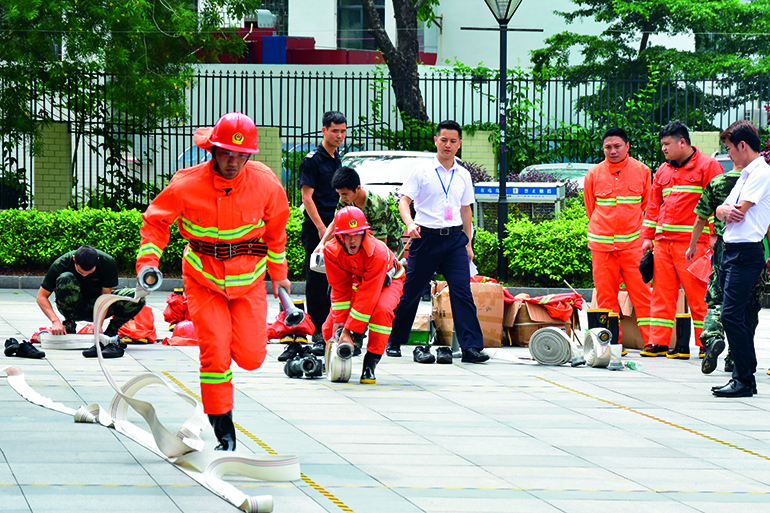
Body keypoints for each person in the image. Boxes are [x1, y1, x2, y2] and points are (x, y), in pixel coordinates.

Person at [136, 112, 291, 449]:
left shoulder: (266, 184)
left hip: (249, 280)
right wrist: (148, 263)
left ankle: (234, 348)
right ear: (212, 150)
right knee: (215, 354)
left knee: (251, 357)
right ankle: (224, 432)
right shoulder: (186, 184)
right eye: (225, 152)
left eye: (240, 155)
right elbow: (155, 224)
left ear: (249, 155)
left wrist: (279, 275)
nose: (232, 161)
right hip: (203, 281)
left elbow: (276, 233)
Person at [384, 119, 489, 364]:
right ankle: (394, 340)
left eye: (453, 141)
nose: (448, 145)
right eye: (444, 140)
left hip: (454, 241)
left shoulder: (463, 175)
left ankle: (471, 348)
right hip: (426, 238)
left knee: (462, 292)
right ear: (436, 141)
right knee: (410, 292)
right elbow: (404, 201)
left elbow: (466, 211)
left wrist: (468, 243)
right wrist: (410, 224)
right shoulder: (422, 171)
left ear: (459, 144)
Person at [279, 166, 405, 362]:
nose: (342, 198)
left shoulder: (375, 205)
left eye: (345, 194)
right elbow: (337, 224)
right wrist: (321, 245)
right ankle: (343, 338)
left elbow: (378, 246)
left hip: (387, 254)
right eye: (340, 194)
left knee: (370, 298)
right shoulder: (346, 199)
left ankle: (355, 338)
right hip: (361, 252)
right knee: (345, 296)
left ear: (357, 189)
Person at [640, 121, 722, 358]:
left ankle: (706, 342)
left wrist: (713, 237)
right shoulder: (663, 171)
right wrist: (648, 238)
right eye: (662, 145)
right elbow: (654, 207)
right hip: (663, 243)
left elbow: (717, 204)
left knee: (699, 297)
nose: (663, 149)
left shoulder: (708, 166)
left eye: (667, 144)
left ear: (682, 142)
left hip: (692, 244)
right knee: (661, 295)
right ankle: (658, 342)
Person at [685, 148, 767, 375]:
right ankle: (736, 357)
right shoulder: (759, 182)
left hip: (725, 247)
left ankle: (712, 337)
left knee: (717, 298)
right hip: (754, 247)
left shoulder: (718, 182)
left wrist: (693, 246)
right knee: (749, 304)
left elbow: (701, 216)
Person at [711, 120, 770, 397]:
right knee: (739, 317)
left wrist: (725, 211)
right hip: (733, 251)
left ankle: (743, 378)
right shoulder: (746, 173)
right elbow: (722, 210)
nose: (729, 154)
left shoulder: (760, 173)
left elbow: (738, 210)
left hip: (746, 252)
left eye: (730, 148)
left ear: (743, 145)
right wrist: (723, 211)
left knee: (731, 315)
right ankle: (746, 377)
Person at [583, 128, 652, 349]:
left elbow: (647, 207)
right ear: (603, 148)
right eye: (608, 147)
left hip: (633, 247)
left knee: (642, 295)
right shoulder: (593, 174)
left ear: (627, 146)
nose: (612, 151)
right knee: (605, 299)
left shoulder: (642, 171)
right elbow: (590, 208)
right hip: (602, 247)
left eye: (617, 146)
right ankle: (611, 345)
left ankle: (653, 343)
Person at [322, 206, 404, 384]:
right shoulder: (330, 251)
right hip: (359, 281)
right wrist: (339, 327)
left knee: (381, 312)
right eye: (347, 234)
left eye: (357, 233)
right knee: (330, 327)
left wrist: (349, 331)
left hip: (387, 281)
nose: (353, 240)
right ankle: (328, 355)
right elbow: (339, 288)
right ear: (338, 236)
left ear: (365, 233)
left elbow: (368, 297)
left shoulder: (378, 253)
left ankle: (371, 362)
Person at [36, 245, 144, 358]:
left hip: (97, 305)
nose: (85, 275)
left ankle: (110, 334)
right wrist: (55, 321)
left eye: (89, 272)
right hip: (74, 306)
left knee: (138, 297)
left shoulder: (107, 262)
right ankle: (69, 325)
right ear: (74, 259)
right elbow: (41, 297)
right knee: (65, 277)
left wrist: (99, 325)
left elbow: (105, 298)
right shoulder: (61, 263)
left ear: (97, 261)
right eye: (80, 272)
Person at [300, 111, 347, 355]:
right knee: (317, 279)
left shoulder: (336, 158)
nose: (339, 135)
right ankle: (317, 328)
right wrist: (320, 228)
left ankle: (335, 325)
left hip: (337, 226)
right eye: (334, 131)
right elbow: (307, 197)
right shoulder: (313, 160)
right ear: (324, 131)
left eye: (342, 131)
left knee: (338, 278)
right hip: (317, 228)